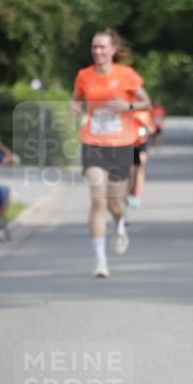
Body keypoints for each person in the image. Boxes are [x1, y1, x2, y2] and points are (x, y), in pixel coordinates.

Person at [70, 29, 150, 278]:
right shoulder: (84, 76)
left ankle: (119, 222)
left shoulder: (126, 74)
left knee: (115, 203)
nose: (98, 51)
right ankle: (100, 261)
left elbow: (146, 102)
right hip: (93, 142)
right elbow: (76, 99)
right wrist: (74, 106)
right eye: (94, 47)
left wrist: (127, 106)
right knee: (97, 200)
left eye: (102, 47)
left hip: (120, 143)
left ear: (113, 49)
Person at [127, 108, 157, 209]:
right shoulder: (122, 112)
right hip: (125, 144)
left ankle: (137, 196)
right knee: (130, 171)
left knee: (139, 169)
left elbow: (152, 129)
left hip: (140, 145)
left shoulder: (143, 114)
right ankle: (128, 193)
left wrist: (145, 128)